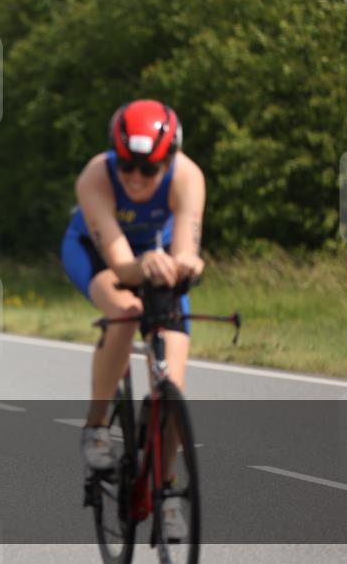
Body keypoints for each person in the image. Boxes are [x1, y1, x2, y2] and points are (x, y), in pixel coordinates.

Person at [61, 99, 205, 539]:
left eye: (149, 167)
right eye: (127, 164)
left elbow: (186, 248)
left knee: (172, 385)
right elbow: (123, 266)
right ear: (114, 155)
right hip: (98, 255)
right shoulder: (95, 177)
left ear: (170, 159)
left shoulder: (187, 176)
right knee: (126, 313)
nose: (137, 177)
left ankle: (165, 490)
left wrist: (188, 265)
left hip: (157, 260)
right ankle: (96, 425)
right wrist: (153, 265)